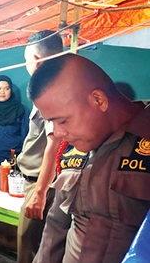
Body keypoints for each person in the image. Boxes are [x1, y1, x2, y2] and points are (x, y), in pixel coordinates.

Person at [29, 54, 150, 263]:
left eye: (63, 121)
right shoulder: (70, 150)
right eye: (51, 123)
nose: (57, 133)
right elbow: (56, 226)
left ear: (98, 100)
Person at [16, 30, 63, 263]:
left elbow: (53, 145)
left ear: (36, 60)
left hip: (42, 183)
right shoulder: (59, 87)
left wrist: (40, 193)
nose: (27, 66)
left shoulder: (51, 92)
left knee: (30, 247)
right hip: (39, 182)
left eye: (26, 61)